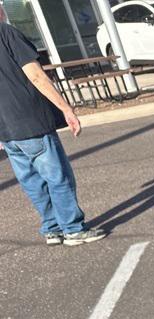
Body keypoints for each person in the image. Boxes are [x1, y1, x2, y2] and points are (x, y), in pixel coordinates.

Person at [0, 4, 105, 246]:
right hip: (30, 121)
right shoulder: (8, 34)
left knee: (32, 181)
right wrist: (65, 108)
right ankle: (73, 229)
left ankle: (52, 227)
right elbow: (36, 75)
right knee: (58, 177)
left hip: (7, 130)